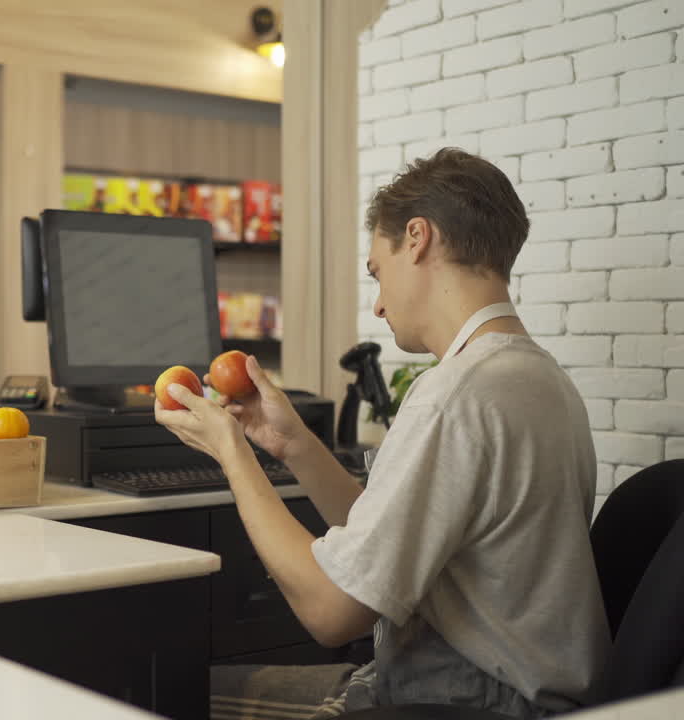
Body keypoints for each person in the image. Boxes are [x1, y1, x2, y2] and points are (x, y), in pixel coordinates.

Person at [156, 148, 610, 719]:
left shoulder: (456, 396)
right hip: (498, 691)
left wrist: (232, 454)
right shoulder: (539, 377)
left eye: (377, 270)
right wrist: (291, 443)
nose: (376, 304)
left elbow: (330, 611)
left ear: (417, 238)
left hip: (467, 701)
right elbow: (387, 537)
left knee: (169, 691)